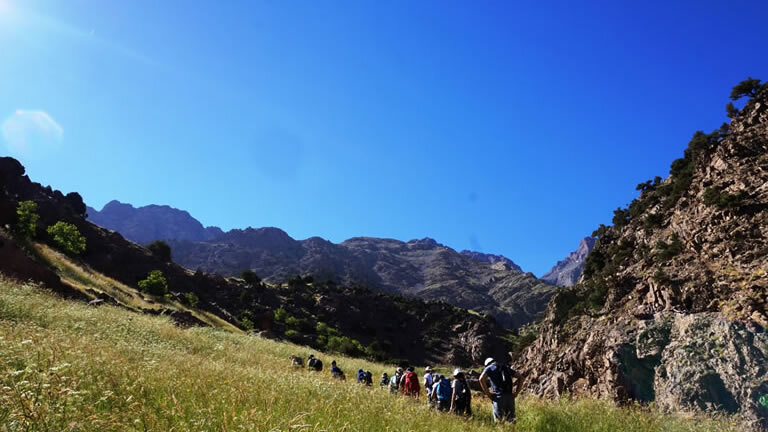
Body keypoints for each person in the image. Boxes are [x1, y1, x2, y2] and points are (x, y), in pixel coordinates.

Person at [479, 357, 516, 423]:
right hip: (510, 397)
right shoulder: (505, 367)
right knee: (511, 422)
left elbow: (481, 379)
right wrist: (516, 393)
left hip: (498, 398)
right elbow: (521, 378)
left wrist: (489, 394)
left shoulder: (489, 368)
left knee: (500, 423)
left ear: (487, 364)